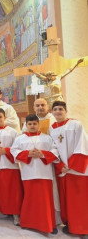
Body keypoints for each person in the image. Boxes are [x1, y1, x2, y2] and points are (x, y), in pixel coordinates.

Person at [11, 114, 59, 235]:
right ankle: (28, 223)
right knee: (30, 199)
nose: (32, 126)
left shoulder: (47, 138)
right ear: (25, 125)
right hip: (29, 173)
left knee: (46, 201)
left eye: (34, 124)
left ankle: (50, 224)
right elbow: (14, 151)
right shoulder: (20, 139)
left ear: (38, 125)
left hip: (44, 173)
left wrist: (42, 154)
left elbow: (55, 151)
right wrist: (28, 154)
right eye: (30, 124)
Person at [49, 101, 88, 237]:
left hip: (76, 170)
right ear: (52, 112)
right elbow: (53, 149)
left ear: (66, 111)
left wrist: (70, 165)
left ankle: (83, 229)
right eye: (55, 109)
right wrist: (60, 166)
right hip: (63, 171)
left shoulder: (75, 124)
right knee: (66, 200)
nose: (58, 111)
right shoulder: (52, 129)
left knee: (79, 200)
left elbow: (82, 145)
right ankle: (71, 224)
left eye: (61, 109)